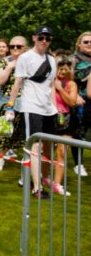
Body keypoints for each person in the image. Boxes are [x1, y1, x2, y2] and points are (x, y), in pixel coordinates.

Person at [6, 27, 57, 199]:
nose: (44, 41)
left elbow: (51, 86)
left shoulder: (52, 60)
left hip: (48, 108)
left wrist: (56, 109)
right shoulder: (25, 58)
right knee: (34, 146)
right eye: (41, 37)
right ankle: (37, 187)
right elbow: (17, 83)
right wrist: (10, 106)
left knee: (48, 147)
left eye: (48, 38)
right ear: (34, 38)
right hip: (31, 106)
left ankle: (30, 177)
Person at [52, 57, 79, 195]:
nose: (63, 70)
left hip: (66, 121)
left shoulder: (71, 84)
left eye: (66, 67)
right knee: (44, 150)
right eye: (60, 67)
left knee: (62, 152)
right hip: (49, 118)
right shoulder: (48, 82)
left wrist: (60, 89)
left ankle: (57, 184)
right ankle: (41, 178)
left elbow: (72, 102)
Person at [72, 31, 91, 177]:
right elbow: (68, 78)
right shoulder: (74, 59)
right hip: (82, 101)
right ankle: (78, 164)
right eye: (86, 42)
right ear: (79, 44)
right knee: (79, 132)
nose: (89, 44)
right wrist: (75, 94)